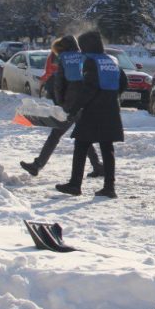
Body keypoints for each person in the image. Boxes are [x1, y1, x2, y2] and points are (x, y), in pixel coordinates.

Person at [54, 31, 125, 198]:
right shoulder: (112, 60)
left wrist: (74, 108)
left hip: (94, 110)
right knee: (107, 148)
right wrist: (112, 96)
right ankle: (109, 187)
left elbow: (89, 89)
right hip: (112, 109)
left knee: (81, 144)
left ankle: (75, 184)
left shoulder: (91, 62)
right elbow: (123, 83)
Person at [20, 36, 104, 178]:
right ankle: (97, 166)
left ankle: (37, 165)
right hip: (84, 102)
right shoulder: (84, 57)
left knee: (56, 135)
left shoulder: (64, 59)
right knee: (82, 135)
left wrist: (60, 104)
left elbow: (58, 84)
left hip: (70, 104)